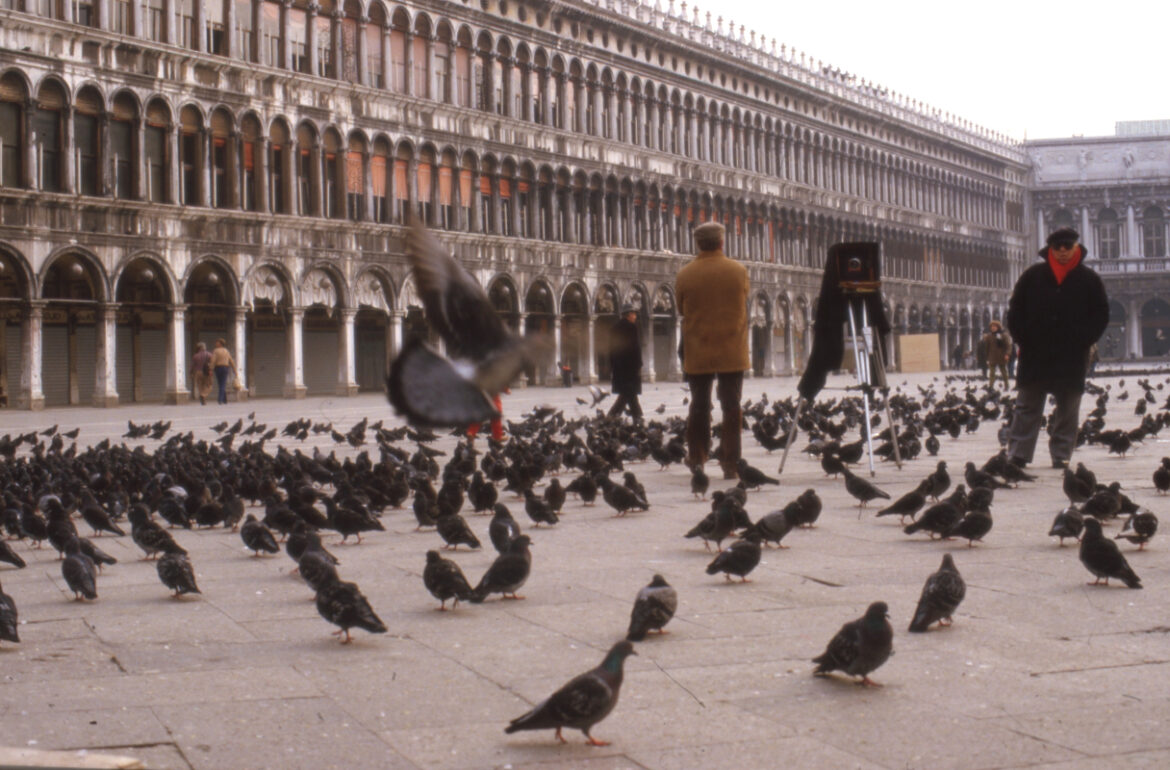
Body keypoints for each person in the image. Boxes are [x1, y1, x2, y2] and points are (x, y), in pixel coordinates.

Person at [1005, 227, 1108, 469]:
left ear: (1076, 248)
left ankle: (1061, 453)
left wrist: (1085, 339)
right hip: (1035, 352)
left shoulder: (1089, 279)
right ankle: (1019, 451)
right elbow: (1015, 310)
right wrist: (1023, 338)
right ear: (1050, 249)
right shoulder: (1032, 276)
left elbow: (1101, 314)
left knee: (1068, 406)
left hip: (1072, 353)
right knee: (1027, 404)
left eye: (1067, 247)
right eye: (1057, 248)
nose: (1062, 252)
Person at [676, 221, 750, 479]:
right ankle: (731, 463)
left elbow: (681, 309)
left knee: (699, 405)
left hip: (699, 348)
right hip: (732, 348)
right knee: (731, 405)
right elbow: (743, 298)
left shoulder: (685, 274)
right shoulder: (739, 271)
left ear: (698, 243)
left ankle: (697, 457)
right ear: (722, 242)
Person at [607, 305, 643, 419]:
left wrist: (613, 366)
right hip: (630, 367)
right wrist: (639, 364)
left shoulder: (614, 328)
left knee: (628, 394)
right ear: (628, 314)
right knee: (628, 393)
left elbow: (611, 350)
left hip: (619, 368)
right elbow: (635, 349)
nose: (635, 316)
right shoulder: (631, 328)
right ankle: (613, 415)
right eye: (634, 314)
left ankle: (637, 416)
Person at [981, 321, 1011, 388]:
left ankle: (1007, 385)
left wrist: (1007, 354)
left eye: (994, 326)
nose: (993, 328)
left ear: (998, 327)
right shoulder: (989, 336)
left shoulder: (1003, 335)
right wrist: (986, 357)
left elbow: (1008, 346)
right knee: (992, 373)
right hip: (992, 357)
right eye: (991, 327)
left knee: (1004, 372)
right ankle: (991, 386)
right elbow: (987, 347)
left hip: (1001, 356)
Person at [210, 338, 238, 405]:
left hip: (218, 368)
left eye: (217, 342)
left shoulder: (216, 351)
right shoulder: (226, 351)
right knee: (222, 383)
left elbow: (213, 360)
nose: (215, 343)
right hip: (225, 368)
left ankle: (220, 399)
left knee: (221, 384)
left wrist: (210, 369)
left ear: (220, 344)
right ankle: (224, 399)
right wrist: (235, 370)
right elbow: (231, 361)